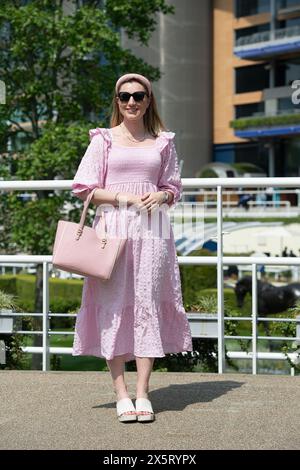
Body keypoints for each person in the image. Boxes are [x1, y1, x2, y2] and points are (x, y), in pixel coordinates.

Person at [71, 73, 193, 423]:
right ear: (117, 101)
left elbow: (173, 187)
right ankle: (120, 393)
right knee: (112, 305)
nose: (131, 102)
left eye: (139, 96)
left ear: (148, 100)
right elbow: (84, 188)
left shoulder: (162, 142)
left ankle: (143, 393)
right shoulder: (103, 140)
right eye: (124, 96)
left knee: (147, 303)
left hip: (153, 232)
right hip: (113, 230)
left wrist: (162, 194)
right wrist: (124, 197)